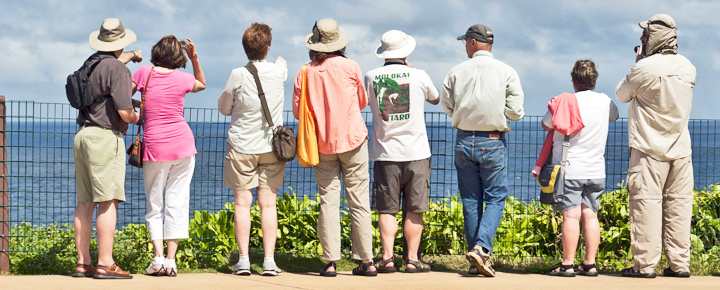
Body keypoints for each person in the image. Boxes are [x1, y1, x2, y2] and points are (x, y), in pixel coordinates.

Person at [292, 18, 376, 277]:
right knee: (359, 202)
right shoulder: (351, 66)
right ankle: (367, 260)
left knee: (328, 201)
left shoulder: (304, 72)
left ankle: (330, 262)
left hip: (322, 144)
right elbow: (362, 101)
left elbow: (297, 112)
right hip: (353, 140)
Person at [616, 14, 696, 278]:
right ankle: (679, 264)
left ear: (655, 38)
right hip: (681, 149)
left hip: (649, 149)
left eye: (645, 35)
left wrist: (639, 61)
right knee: (679, 207)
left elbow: (622, 94)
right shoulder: (687, 67)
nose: (641, 38)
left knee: (646, 205)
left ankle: (645, 266)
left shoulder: (644, 68)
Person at [441, 24, 524, 277]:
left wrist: (463, 115)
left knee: (470, 200)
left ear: (474, 42)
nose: (465, 45)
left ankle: (475, 257)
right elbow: (517, 112)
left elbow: (448, 106)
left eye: (465, 41)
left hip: (464, 140)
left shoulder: (456, 71)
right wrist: (499, 112)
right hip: (493, 140)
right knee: (496, 198)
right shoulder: (507, 71)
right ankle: (482, 248)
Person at [73, 18, 142, 279]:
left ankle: (83, 263)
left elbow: (113, 64)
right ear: (121, 42)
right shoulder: (118, 70)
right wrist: (138, 116)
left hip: (82, 136)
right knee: (108, 200)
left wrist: (132, 55)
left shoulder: (90, 64)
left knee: (84, 202)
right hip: (104, 138)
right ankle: (105, 263)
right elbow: (125, 112)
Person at [365, 30, 439, 273]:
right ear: (405, 51)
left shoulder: (371, 76)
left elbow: (364, 102)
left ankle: (387, 258)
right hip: (417, 152)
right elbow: (436, 98)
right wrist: (411, 69)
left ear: (384, 52)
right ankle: (412, 259)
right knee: (415, 208)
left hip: (385, 152)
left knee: (387, 208)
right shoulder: (418, 75)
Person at [132, 35, 206, 277]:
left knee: (155, 204)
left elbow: (123, 95)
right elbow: (201, 84)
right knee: (177, 203)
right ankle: (172, 262)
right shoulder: (183, 78)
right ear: (178, 57)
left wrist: (140, 105)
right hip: (183, 146)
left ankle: (158, 259)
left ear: (156, 52)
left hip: (156, 148)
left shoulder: (145, 72)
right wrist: (194, 59)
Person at [219, 23, 287, 276]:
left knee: (242, 204)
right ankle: (269, 261)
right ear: (268, 47)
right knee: (268, 205)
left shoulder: (237, 73)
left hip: (241, 146)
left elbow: (225, 108)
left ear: (245, 48)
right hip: (272, 146)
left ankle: (244, 260)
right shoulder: (280, 71)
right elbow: (281, 66)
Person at [541, 60, 619, 277]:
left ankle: (567, 264)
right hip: (596, 169)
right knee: (591, 216)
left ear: (574, 79)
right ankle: (590, 264)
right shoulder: (605, 102)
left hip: (570, 168)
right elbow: (614, 116)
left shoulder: (566, 101)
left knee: (571, 216)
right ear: (594, 80)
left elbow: (546, 124)